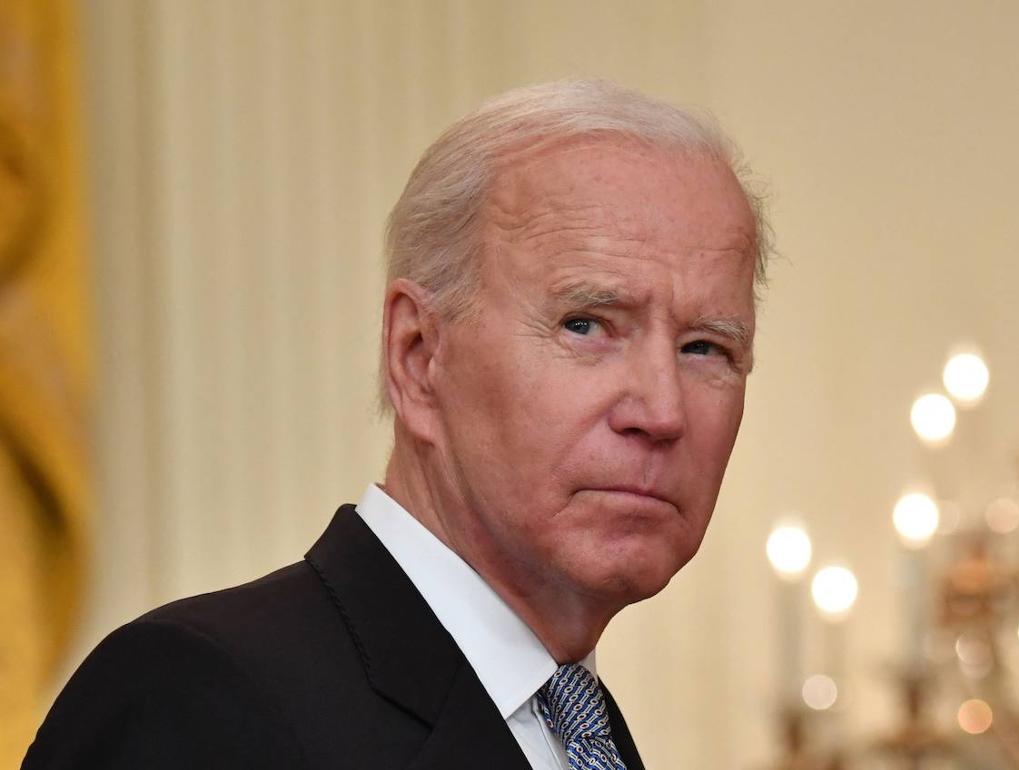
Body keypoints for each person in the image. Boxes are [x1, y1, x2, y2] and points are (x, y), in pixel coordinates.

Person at [24, 78, 770, 770]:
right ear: (418, 357)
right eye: (587, 325)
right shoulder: (193, 699)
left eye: (706, 347)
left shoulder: (579, 730)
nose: (662, 412)